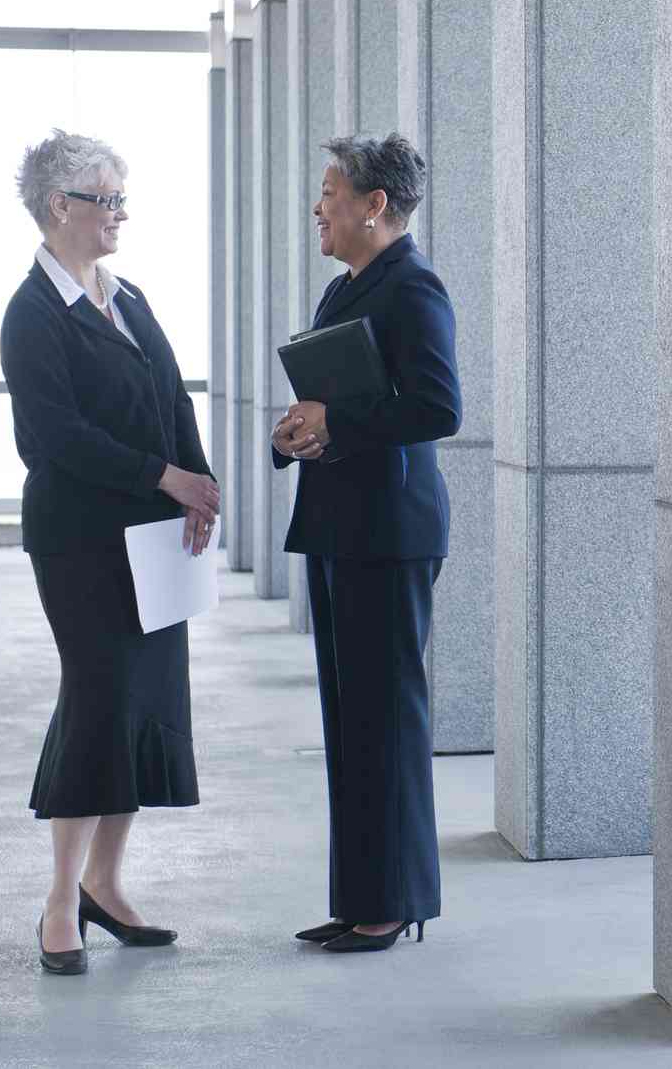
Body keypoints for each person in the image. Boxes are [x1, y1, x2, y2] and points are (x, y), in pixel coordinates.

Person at [0, 130, 220, 975]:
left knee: (143, 705)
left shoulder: (125, 295)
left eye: (122, 199)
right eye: (108, 199)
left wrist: (196, 480)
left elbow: (171, 395)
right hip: (81, 540)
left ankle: (106, 886)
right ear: (62, 207)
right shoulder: (31, 313)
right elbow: (54, 440)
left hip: (155, 535)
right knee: (97, 701)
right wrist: (164, 475)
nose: (120, 214)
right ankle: (61, 903)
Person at [273, 133, 460, 952]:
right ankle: (360, 899)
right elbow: (325, 400)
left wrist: (335, 421)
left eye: (329, 193)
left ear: (373, 205)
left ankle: (393, 903)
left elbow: (437, 409)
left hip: (389, 531)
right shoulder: (343, 289)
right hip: (343, 524)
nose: (318, 208)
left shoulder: (413, 288)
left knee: (386, 721)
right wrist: (291, 436)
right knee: (350, 723)